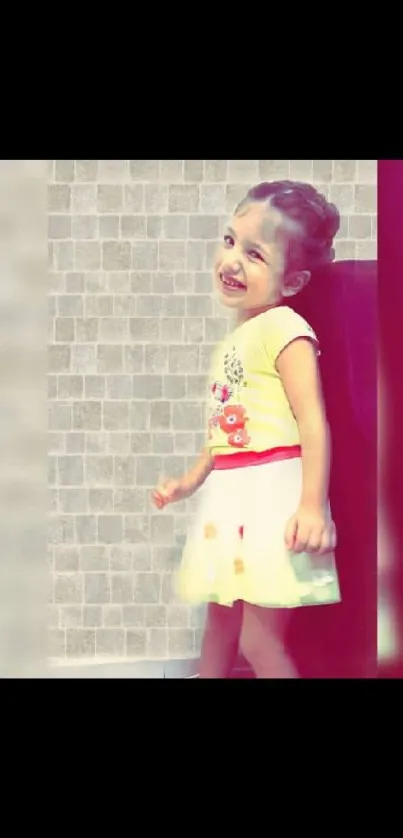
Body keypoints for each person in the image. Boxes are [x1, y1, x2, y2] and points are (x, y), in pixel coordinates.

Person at [152, 180, 341, 678]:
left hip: (271, 495)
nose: (231, 260)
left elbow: (312, 421)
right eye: (230, 240)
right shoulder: (239, 336)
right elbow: (225, 431)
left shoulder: (285, 329)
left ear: (293, 281)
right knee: (219, 620)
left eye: (255, 254)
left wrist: (310, 505)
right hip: (233, 493)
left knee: (258, 641)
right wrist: (190, 480)